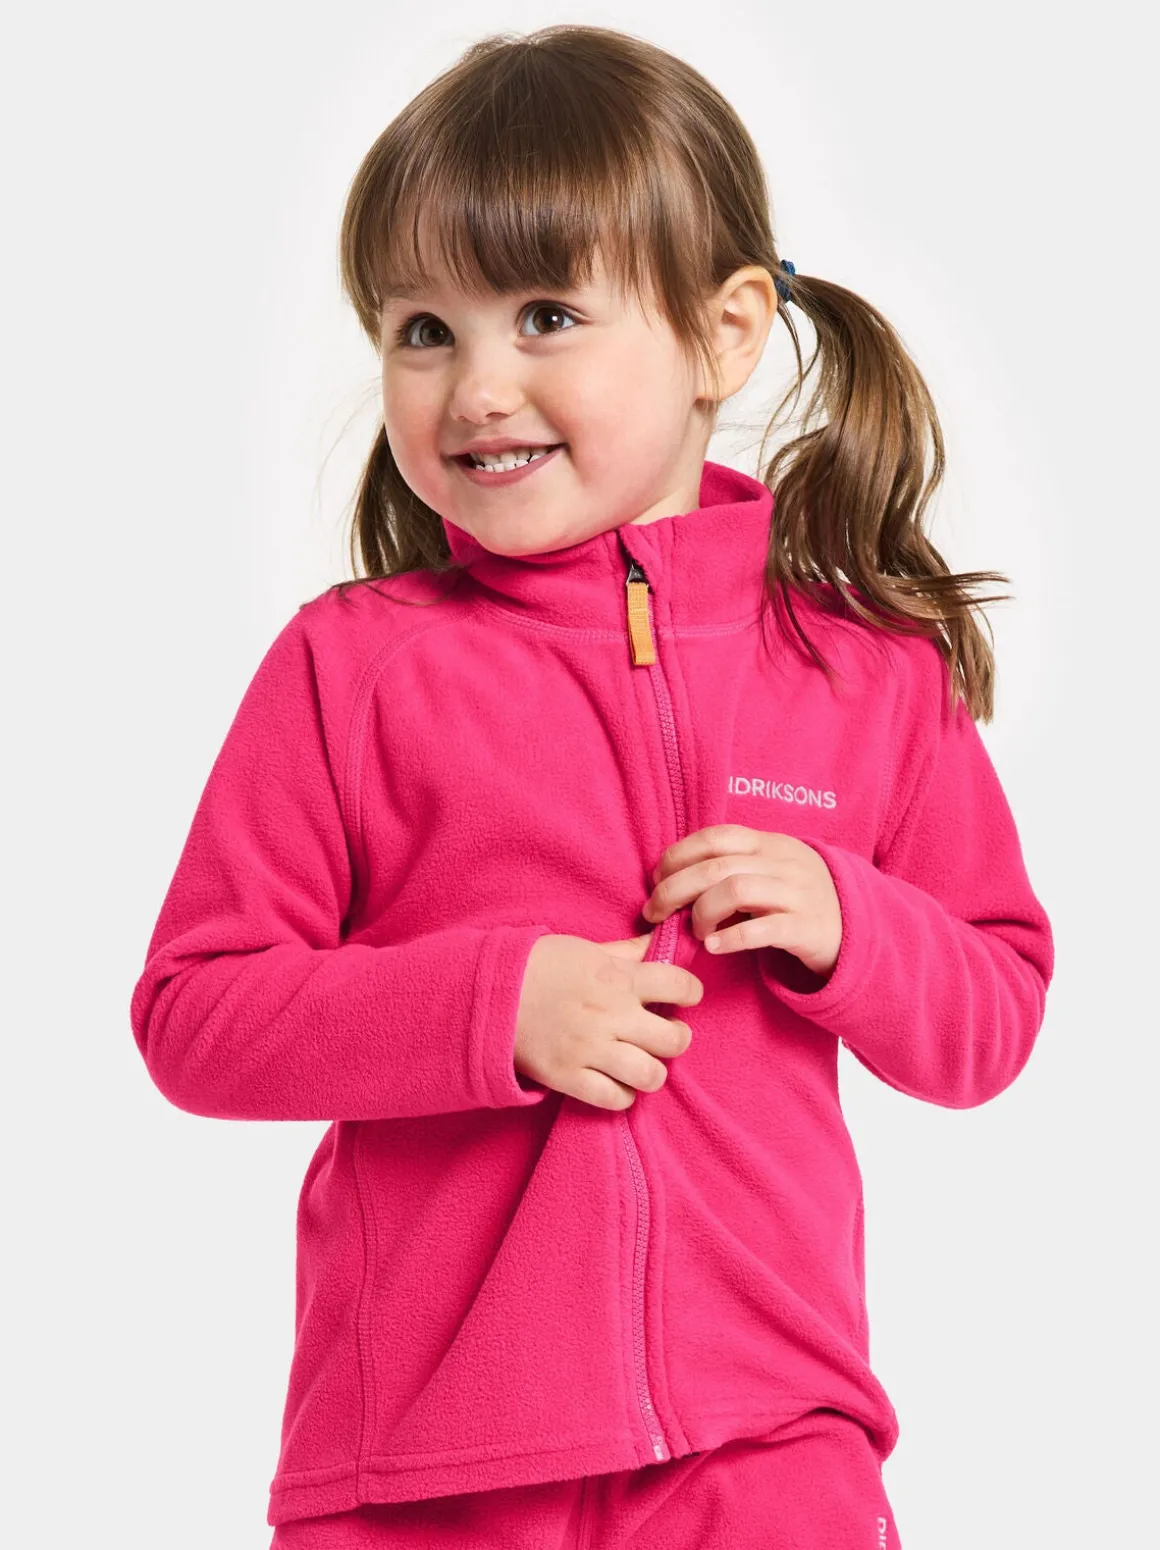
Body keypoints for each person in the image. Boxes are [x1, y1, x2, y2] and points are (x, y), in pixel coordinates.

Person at [129, 23, 1054, 1550]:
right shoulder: (350, 670)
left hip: (771, 1438)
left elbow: (997, 1006)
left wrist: (852, 919)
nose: (478, 385)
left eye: (546, 314)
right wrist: (492, 1006)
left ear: (724, 333)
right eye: (424, 329)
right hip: (421, 1464)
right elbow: (195, 1012)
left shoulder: (864, 671)